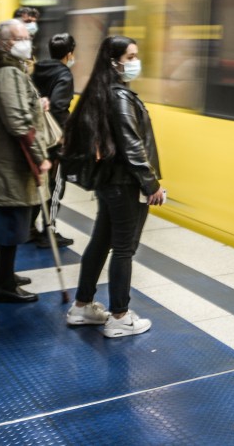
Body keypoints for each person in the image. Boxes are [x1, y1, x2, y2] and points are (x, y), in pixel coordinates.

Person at [65, 35, 166, 337]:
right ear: (114, 61)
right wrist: (151, 185)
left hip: (109, 182)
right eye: (131, 57)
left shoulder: (101, 92)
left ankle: (82, 306)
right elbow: (132, 146)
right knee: (124, 249)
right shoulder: (120, 97)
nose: (136, 62)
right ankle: (120, 317)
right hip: (125, 183)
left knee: (100, 243)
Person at [0, 19, 52, 303]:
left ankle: (2, 274)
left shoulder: (7, 70)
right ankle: (4, 284)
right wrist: (40, 158)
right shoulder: (7, 73)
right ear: (5, 43)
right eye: (19, 37)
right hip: (7, 161)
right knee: (11, 222)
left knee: (13, 219)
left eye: (26, 36)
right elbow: (17, 121)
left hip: (2, 159)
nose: (26, 41)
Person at [29, 32, 78, 248]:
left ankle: (29, 228)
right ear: (69, 54)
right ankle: (50, 231)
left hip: (35, 135)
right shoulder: (64, 75)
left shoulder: (36, 69)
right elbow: (58, 106)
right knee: (56, 184)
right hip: (53, 139)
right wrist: (64, 136)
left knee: (38, 182)